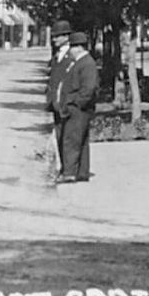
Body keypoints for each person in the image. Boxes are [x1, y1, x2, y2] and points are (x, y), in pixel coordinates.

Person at [52, 29, 99, 184]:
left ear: (78, 47)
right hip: (78, 109)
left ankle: (70, 173)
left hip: (78, 110)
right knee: (80, 141)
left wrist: (75, 103)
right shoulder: (80, 62)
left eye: (71, 47)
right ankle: (81, 172)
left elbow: (88, 89)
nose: (70, 51)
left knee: (71, 140)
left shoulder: (86, 63)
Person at [46, 20, 73, 157]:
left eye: (57, 36)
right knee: (59, 136)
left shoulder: (72, 56)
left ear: (66, 37)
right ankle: (62, 167)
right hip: (56, 103)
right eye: (54, 36)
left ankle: (67, 170)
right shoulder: (58, 54)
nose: (54, 39)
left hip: (65, 104)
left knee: (65, 138)